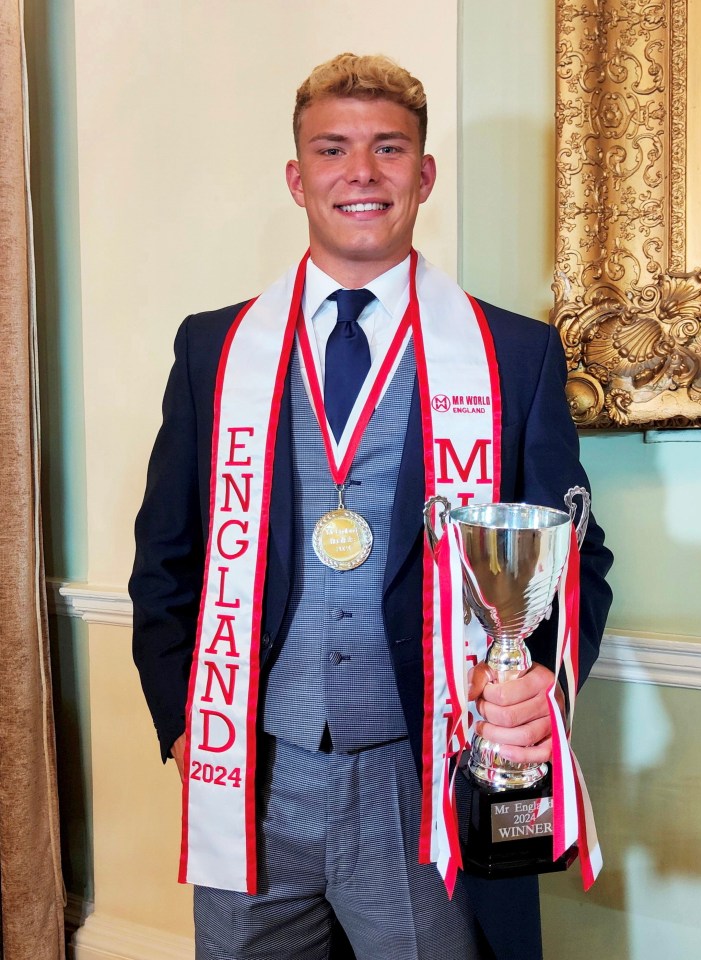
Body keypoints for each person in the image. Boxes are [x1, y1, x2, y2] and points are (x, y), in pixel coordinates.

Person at [130, 52, 613, 960]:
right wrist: (187, 721)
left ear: (423, 176)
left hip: (420, 766)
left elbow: (572, 559)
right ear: (297, 176)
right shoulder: (213, 349)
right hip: (254, 764)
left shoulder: (513, 354)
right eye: (333, 149)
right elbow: (166, 554)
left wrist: (534, 682)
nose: (361, 173)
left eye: (389, 149)